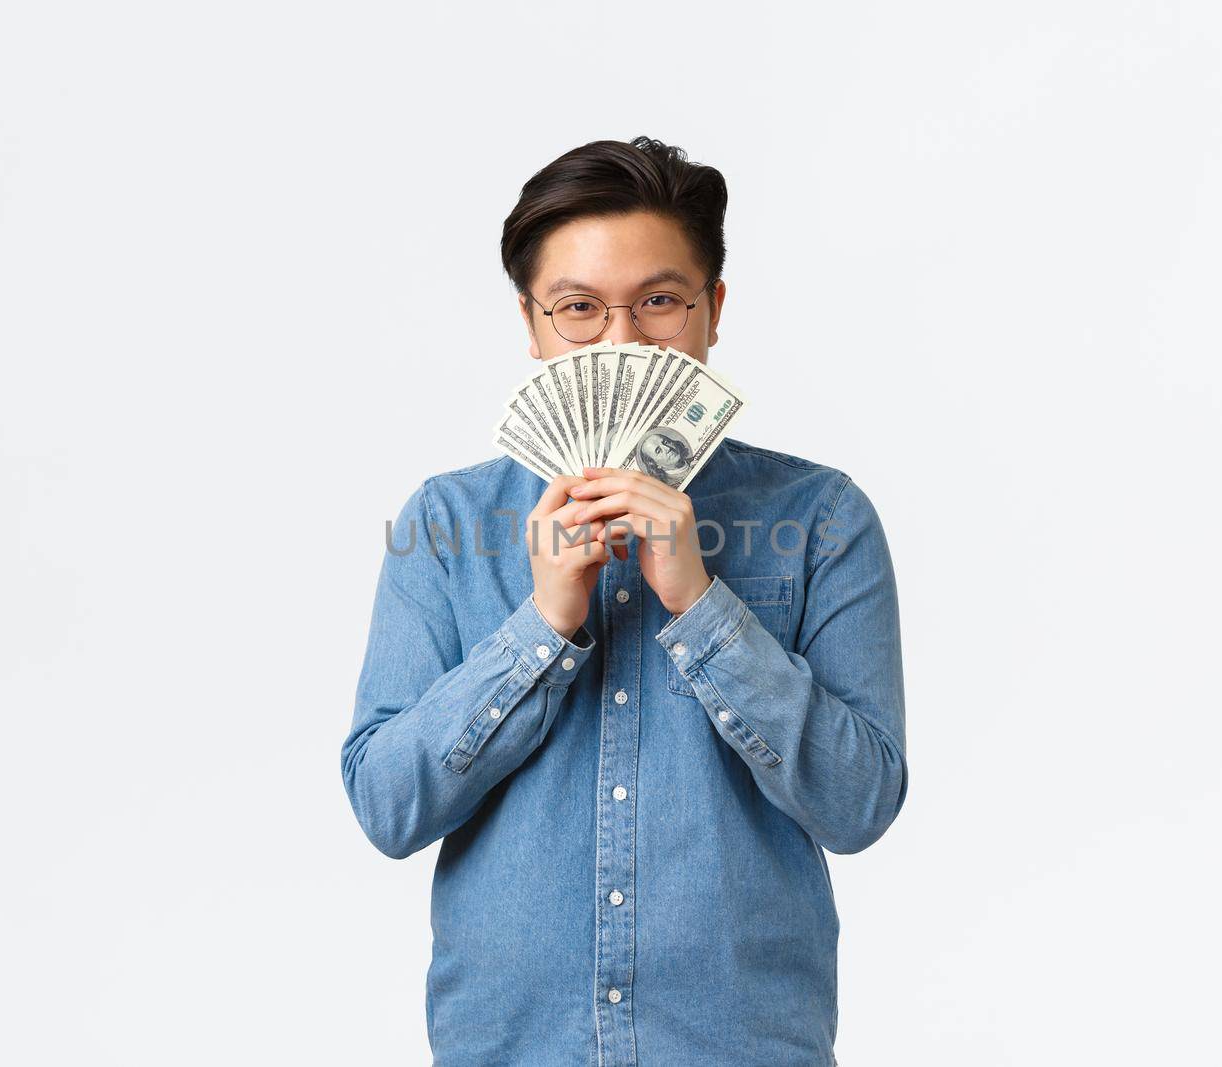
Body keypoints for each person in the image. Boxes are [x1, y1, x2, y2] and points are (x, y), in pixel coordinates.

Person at [341, 136, 908, 1067]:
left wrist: (700, 603)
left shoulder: (820, 517)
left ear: (713, 310)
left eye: (659, 301)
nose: (622, 341)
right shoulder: (446, 523)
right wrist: (542, 626)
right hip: (510, 1047)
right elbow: (387, 806)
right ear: (531, 323)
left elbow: (859, 805)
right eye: (578, 309)